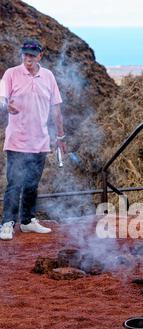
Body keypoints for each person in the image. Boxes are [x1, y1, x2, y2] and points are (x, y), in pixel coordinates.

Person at [0, 38, 66, 240]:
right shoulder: (11, 73)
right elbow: (2, 98)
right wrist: (5, 106)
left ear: (40, 55)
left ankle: (27, 221)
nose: (27, 58)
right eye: (25, 54)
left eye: (31, 55)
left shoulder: (48, 76)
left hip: (40, 141)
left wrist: (61, 137)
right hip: (18, 141)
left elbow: (56, 108)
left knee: (32, 184)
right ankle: (7, 224)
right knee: (14, 184)